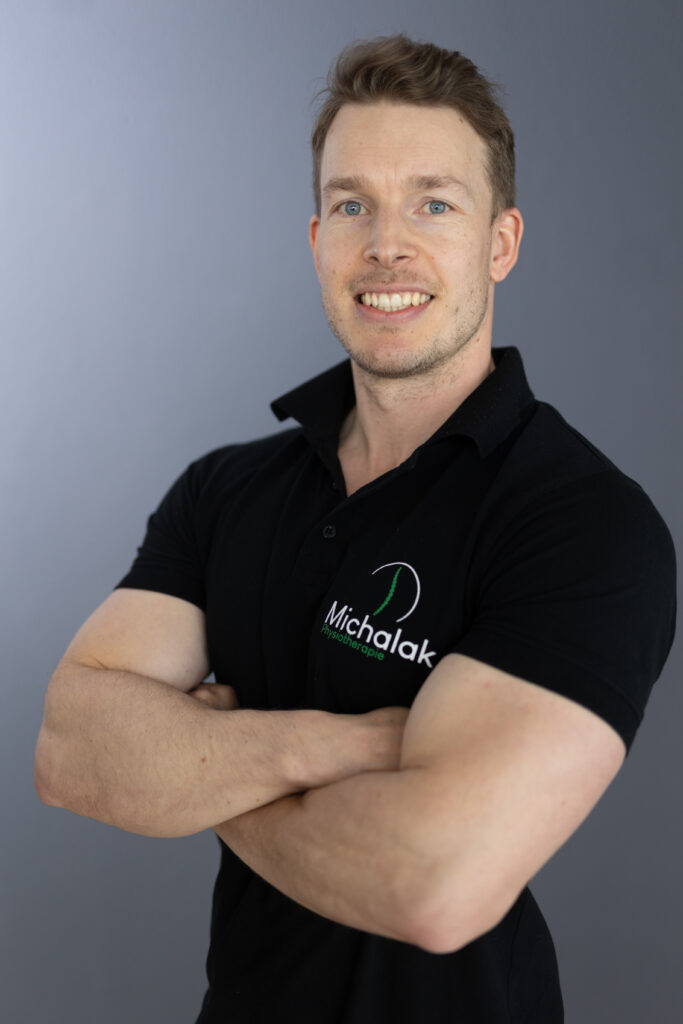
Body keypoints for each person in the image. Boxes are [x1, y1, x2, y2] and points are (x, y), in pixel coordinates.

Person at [35, 33, 676, 1024]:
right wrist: (325, 748)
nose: (385, 244)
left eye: (433, 203)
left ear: (500, 242)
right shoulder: (227, 489)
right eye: (351, 205)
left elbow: (433, 885)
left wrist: (198, 767)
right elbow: (70, 752)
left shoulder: (582, 523)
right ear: (315, 239)